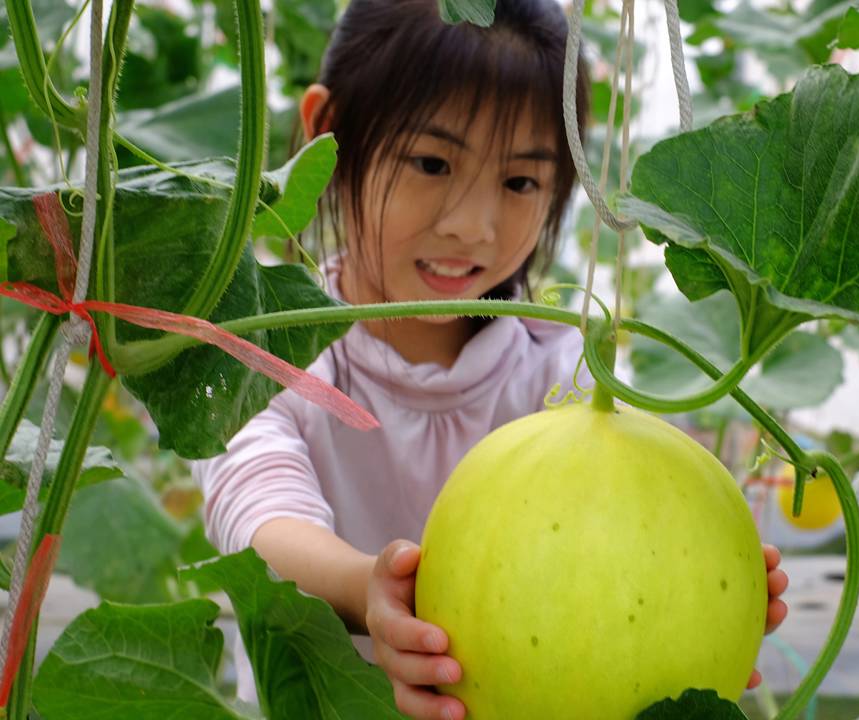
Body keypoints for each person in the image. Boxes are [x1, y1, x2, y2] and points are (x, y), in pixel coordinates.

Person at [193, 1, 789, 718]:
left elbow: (642, 507)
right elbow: (257, 516)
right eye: (432, 162)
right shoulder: (267, 346)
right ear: (327, 132)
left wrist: (704, 577)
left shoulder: (560, 369)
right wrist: (367, 591)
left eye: (520, 182)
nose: (471, 226)